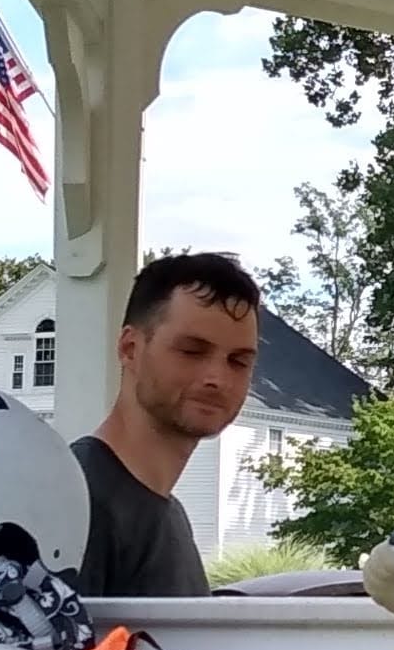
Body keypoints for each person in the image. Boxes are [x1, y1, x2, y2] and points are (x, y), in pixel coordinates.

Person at [73, 250, 262, 602]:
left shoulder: (169, 516)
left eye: (238, 361)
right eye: (192, 351)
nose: (217, 378)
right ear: (130, 348)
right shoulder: (74, 501)